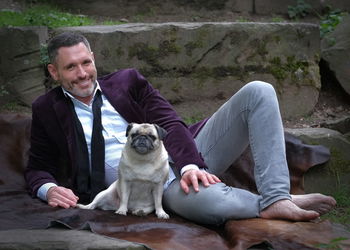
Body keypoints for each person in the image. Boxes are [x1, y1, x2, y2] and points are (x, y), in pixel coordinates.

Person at [25, 32, 336, 225]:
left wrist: (189, 164)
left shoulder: (127, 81)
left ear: (93, 58)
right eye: (71, 67)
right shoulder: (46, 110)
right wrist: (48, 188)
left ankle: (276, 195)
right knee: (210, 206)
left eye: (86, 63)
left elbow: (170, 121)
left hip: (185, 152)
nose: (82, 74)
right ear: (54, 72)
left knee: (259, 90)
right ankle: (275, 202)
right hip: (153, 188)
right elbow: (38, 168)